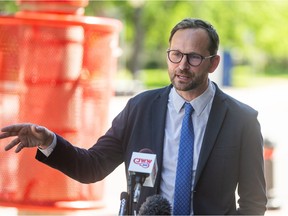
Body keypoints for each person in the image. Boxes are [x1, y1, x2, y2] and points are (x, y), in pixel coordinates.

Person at [0, 18, 267, 215]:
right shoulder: (140, 108)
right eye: (175, 55)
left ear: (213, 63)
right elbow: (92, 166)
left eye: (194, 57)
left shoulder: (241, 120)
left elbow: (254, 202)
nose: (182, 65)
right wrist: (49, 142)